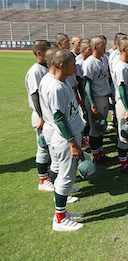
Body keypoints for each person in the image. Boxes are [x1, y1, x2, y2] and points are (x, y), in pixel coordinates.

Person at [48, 49, 86, 231]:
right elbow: (58, 118)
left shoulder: (64, 83)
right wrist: (73, 142)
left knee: (67, 178)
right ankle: (60, 220)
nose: (75, 66)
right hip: (65, 141)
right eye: (72, 63)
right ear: (62, 65)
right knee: (64, 179)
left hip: (71, 136)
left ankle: (62, 214)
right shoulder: (55, 87)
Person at [25, 40, 53, 191]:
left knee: (51, 148)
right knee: (43, 147)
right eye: (47, 51)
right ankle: (43, 181)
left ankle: (49, 177)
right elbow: (35, 95)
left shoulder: (46, 67)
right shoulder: (35, 71)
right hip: (40, 115)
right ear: (39, 53)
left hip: (47, 114)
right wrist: (42, 116)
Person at [83, 36, 111, 163]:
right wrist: (92, 103)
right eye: (102, 45)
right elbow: (87, 84)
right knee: (95, 128)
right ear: (95, 47)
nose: (105, 47)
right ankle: (96, 157)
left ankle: (100, 153)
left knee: (102, 128)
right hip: (96, 98)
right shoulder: (89, 62)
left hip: (104, 96)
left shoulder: (103, 60)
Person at [111, 38, 128, 173]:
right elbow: (121, 90)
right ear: (123, 49)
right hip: (124, 104)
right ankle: (124, 166)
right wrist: (127, 109)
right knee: (124, 134)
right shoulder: (121, 67)